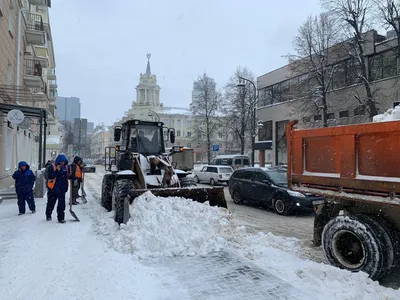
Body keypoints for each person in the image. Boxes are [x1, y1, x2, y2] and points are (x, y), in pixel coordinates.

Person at [45, 154, 69, 223]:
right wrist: (57, 171)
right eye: (61, 162)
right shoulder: (52, 167)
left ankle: (61, 218)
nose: (62, 163)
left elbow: (68, 175)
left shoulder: (66, 168)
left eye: (63, 162)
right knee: (51, 203)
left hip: (62, 189)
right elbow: (50, 176)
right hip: (53, 189)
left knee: (61, 205)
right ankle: (48, 215)